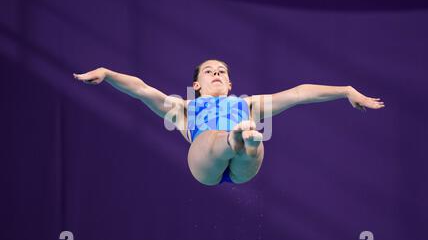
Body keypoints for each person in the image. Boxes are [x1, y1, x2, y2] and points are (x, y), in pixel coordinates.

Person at [73, 59, 384, 186]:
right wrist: (109, 74)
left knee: (254, 147)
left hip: (244, 164)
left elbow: (300, 93)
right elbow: (141, 90)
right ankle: (236, 138)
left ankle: (245, 141)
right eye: (209, 71)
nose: (217, 74)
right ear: (196, 84)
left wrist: (346, 91)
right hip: (205, 163)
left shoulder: (247, 104)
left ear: (231, 83)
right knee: (214, 138)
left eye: (222, 71)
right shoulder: (182, 108)